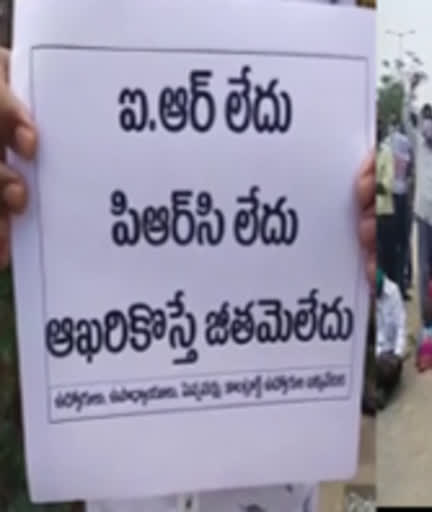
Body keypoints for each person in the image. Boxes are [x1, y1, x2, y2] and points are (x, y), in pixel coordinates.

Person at [0, 2, 377, 509]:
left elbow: (341, 144)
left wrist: (372, 235)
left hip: (277, 461)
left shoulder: (326, 21)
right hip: (115, 464)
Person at [402, 77, 432, 331]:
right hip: (422, 216)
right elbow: (404, 118)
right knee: (423, 269)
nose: (429, 126)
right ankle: (425, 319)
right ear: (423, 126)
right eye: (426, 121)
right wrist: (409, 92)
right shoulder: (418, 145)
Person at [375, 268, 407, 407]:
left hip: (390, 355)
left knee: (385, 370)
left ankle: (381, 389)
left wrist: (398, 355)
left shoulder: (393, 292)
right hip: (376, 352)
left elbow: (401, 326)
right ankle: (379, 391)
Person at [390, 116, 413, 300]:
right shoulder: (398, 142)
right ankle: (399, 285)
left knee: (401, 245)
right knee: (399, 245)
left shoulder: (399, 142)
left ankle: (401, 285)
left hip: (400, 198)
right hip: (398, 198)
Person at [376, 121, 397, 281]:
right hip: (370, 215)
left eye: (378, 127)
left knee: (387, 262)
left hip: (385, 214)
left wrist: (371, 185)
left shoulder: (387, 153)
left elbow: (387, 185)